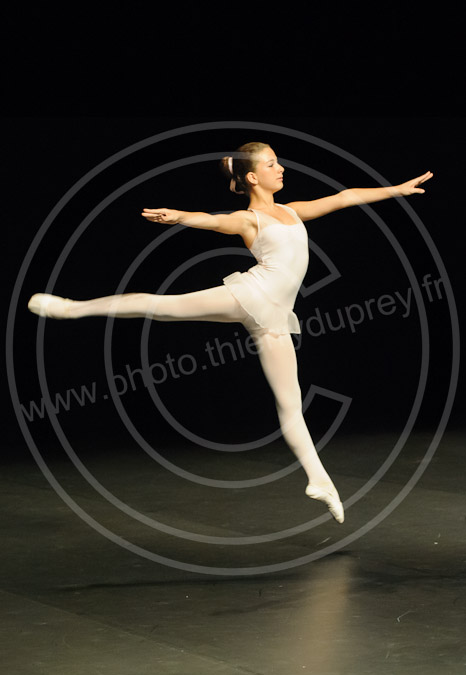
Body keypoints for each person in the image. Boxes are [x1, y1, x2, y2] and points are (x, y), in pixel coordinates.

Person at [28, 141, 433, 523]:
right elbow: (213, 220)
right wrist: (179, 216)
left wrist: (396, 190)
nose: (281, 168)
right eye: (271, 163)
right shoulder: (249, 219)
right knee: (161, 307)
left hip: (274, 318)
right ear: (253, 177)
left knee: (290, 404)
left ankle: (320, 481)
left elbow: (345, 197)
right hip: (250, 296)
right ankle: (71, 308)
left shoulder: (293, 211)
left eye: (278, 161)